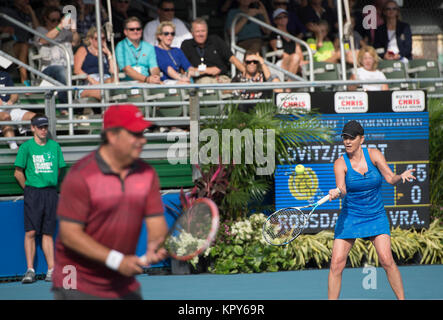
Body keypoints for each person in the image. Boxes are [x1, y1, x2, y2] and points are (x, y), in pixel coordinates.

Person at [52, 104, 168, 300]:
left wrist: (155, 245)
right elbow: (70, 235)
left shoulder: (147, 174)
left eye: (143, 133)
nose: (143, 140)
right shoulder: (81, 176)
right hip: (78, 283)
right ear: (112, 136)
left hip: (122, 283)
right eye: (135, 134)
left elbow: (156, 221)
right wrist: (116, 260)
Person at [327, 120, 416, 300]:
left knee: (386, 259)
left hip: (376, 216)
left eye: (352, 137)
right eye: (345, 137)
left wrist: (401, 176)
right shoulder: (340, 163)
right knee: (336, 264)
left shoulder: (374, 155)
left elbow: (390, 178)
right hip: (351, 217)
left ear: (362, 139)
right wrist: (337, 192)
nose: (347, 141)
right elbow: (342, 189)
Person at [14, 114, 66, 284]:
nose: (44, 130)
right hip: (33, 193)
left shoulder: (54, 146)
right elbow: (18, 172)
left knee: (48, 232)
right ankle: (30, 270)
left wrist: (49, 183)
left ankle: (51, 269)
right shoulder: (26, 147)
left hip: (50, 193)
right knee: (30, 231)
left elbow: (59, 169)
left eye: (45, 127)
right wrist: (29, 188)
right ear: (33, 128)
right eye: (40, 127)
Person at [34, 6, 80, 113]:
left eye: (58, 20)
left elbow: (76, 42)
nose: (56, 22)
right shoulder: (40, 30)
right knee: (60, 70)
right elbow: (43, 40)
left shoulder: (65, 32)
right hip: (49, 69)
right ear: (45, 19)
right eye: (53, 20)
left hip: (68, 66)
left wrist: (73, 31)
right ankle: (65, 106)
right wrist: (60, 26)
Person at [181, 18, 245, 84]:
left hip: (221, 78)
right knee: (205, 82)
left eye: (203, 31)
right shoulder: (186, 45)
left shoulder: (215, 40)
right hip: (200, 81)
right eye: (197, 31)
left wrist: (244, 71)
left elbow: (232, 58)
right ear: (192, 33)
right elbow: (186, 70)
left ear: (207, 31)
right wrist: (207, 70)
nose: (200, 34)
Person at [0, 0, 40, 86]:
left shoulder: (27, 13)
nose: (27, 1)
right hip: (8, 44)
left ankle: (38, 80)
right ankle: (24, 79)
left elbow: (38, 31)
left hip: (31, 44)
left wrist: (32, 13)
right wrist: (2, 29)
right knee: (24, 46)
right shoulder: (5, 10)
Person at [74, 26, 116, 102]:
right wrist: (92, 81)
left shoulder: (106, 52)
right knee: (103, 92)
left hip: (105, 81)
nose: (100, 41)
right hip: (89, 83)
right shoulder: (83, 50)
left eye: (103, 39)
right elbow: (77, 70)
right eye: (97, 39)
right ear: (91, 39)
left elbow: (113, 71)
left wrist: (109, 54)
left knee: (113, 82)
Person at [115, 17, 161, 83]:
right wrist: (146, 79)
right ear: (125, 32)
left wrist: (155, 77)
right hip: (128, 83)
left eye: (138, 29)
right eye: (132, 29)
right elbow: (127, 69)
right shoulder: (121, 46)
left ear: (141, 30)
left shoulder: (149, 47)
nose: (135, 31)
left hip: (148, 82)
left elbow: (154, 67)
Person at [0, 69, 35, 150]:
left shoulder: (4, 74)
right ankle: (14, 148)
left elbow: (14, 93)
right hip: (3, 113)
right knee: (5, 117)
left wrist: (11, 101)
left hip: (9, 107)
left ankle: (41, 146)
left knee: (35, 118)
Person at [269, 8, 305, 76]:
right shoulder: (274, 34)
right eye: (279, 17)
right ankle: (289, 86)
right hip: (282, 62)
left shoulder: (292, 34)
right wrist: (295, 59)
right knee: (295, 58)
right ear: (275, 21)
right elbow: (278, 51)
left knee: (311, 62)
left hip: (295, 60)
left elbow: (298, 50)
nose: (283, 19)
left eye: (285, 16)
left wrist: (300, 61)